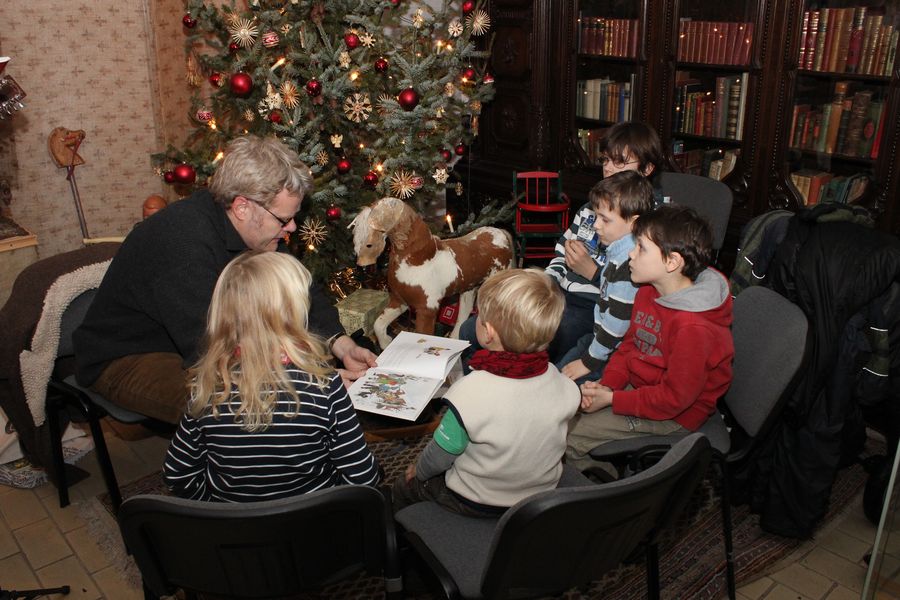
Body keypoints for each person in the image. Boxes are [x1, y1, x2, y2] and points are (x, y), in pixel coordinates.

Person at [74, 135, 377, 424]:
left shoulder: (258, 228)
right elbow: (214, 348)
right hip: (127, 357)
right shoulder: (182, 244)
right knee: (240, 402)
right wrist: (312, 384)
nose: (292, 228)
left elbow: (300, 290)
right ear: (243, 207)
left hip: (193, 340)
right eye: (284, 220)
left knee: (278, 390)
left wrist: (342, 346)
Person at [163, 252, 381, 501]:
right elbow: (364, 477)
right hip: (316, 518)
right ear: (294, 315)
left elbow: (177, 475)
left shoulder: (206, 387)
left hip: (230, 521)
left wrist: (214, 508)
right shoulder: (325, 386)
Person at [458, 121, 665, 364]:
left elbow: (642, 290)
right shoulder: (590, 209)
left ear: (647, 168)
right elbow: (560, 253)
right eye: (606, 160)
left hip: (592, 306)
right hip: (557, 293)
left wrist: (593, 273)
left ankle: (515, 378)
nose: (608, 168)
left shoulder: (651, 225)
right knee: (471, 330)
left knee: (534, 343)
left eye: (619, 161)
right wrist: (545, 284)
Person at [392, 268, 580, 516]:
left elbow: (439, 456)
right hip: (539, 496)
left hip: (477, 499)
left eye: (478, 316)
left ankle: (397, 527)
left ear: (488, 332)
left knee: (403, 486)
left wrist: (419, 470)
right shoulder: (564, 384)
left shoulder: (468, 394)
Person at [565, 205, 734, 473]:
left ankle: (616, 489)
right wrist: (607, 386)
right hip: (642, 387)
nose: (630, 254)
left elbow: (674, 399)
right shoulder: (648, 291)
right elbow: (629, 347)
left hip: (676, 414)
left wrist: (612, 400)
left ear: (672, 262)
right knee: (565, 412)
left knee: (567, 437)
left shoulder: (693, 328)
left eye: (641, 248)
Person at [556, 171, 655, 385]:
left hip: (610, 352)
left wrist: (588, 361)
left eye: (605, 220)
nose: (596, 225)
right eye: (596, 216)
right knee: (558, 372)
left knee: (560, 384)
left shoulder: (628, 265)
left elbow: (617, 325)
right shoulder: (618, 249)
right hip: (600, 339)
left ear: (633, 223)